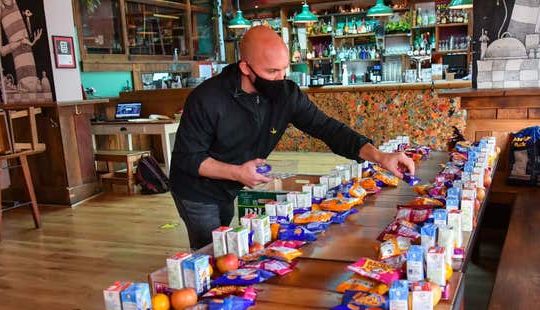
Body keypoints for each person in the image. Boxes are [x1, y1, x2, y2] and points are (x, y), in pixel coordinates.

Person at [170, 25, 415, 249]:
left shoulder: (286, 95)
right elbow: (188, 158)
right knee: (209, 251)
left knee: (224, 242)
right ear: (245, 68)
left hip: (231, 185)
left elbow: (328, 128)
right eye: (272, 71)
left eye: (284, 70)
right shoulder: (207, 99)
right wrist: (237, 172)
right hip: (196, 189)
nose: (281, 79)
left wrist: (380, 156)